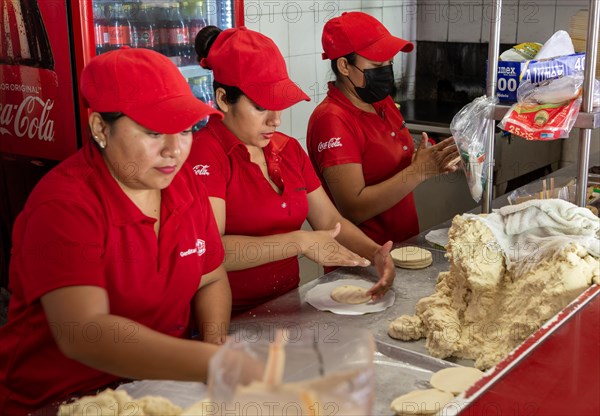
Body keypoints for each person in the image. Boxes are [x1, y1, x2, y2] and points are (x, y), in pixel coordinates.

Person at [0, 47, 231, 414]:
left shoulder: (183, 183)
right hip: (58, 402)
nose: (175, 150)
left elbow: (212, 277)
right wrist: (210, 363)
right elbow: (84, 333)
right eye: (154, 132)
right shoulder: (64, 203)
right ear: (100, 128)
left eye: (186, 130)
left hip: (158, 390)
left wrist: (215, 346)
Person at [189, 26, 395, 315]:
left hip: (288, 308)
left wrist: (375, 254)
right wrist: (299, 241)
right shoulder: (204, 154)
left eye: (280, 105)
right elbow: (212, 251)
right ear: (223, 99)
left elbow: (329, 219)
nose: (276, 120)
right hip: (230, 320)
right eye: (262, 107)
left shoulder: (287, 150)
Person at [307, 12, 459, 246]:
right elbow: (352, 209)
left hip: (403, 244)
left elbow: (393, 165)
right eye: (377, 65)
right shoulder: (332, 119)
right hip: (363, 259)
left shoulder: (381, 102)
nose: (386, 72)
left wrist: (433, 159)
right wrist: (418, 172)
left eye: (389, 63)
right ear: (344, 65)